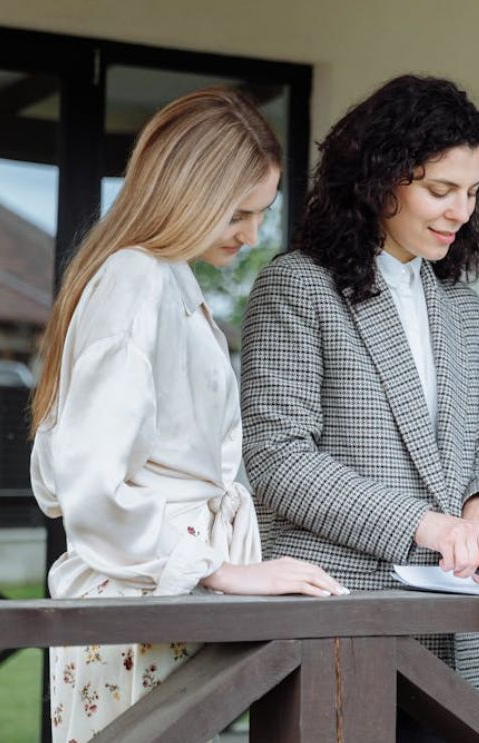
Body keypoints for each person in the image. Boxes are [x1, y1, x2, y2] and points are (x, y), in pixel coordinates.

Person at [29, 87, 345, 743]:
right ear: (189, 192)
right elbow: (90, 481)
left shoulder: (160, 276)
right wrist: (217, 567)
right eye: (238, 212)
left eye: (263, 213)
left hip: (154, 600)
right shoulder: (135, 279)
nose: (253, 233)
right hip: (135, 603)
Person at [240, 75, 479, 740]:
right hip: (334, 624)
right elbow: (278, 460)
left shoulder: (458, 306)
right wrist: (433, 526)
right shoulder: (297, 286)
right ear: (377, 178)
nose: (459, 210)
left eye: (472, 192)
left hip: (450, 635)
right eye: (439, 189)